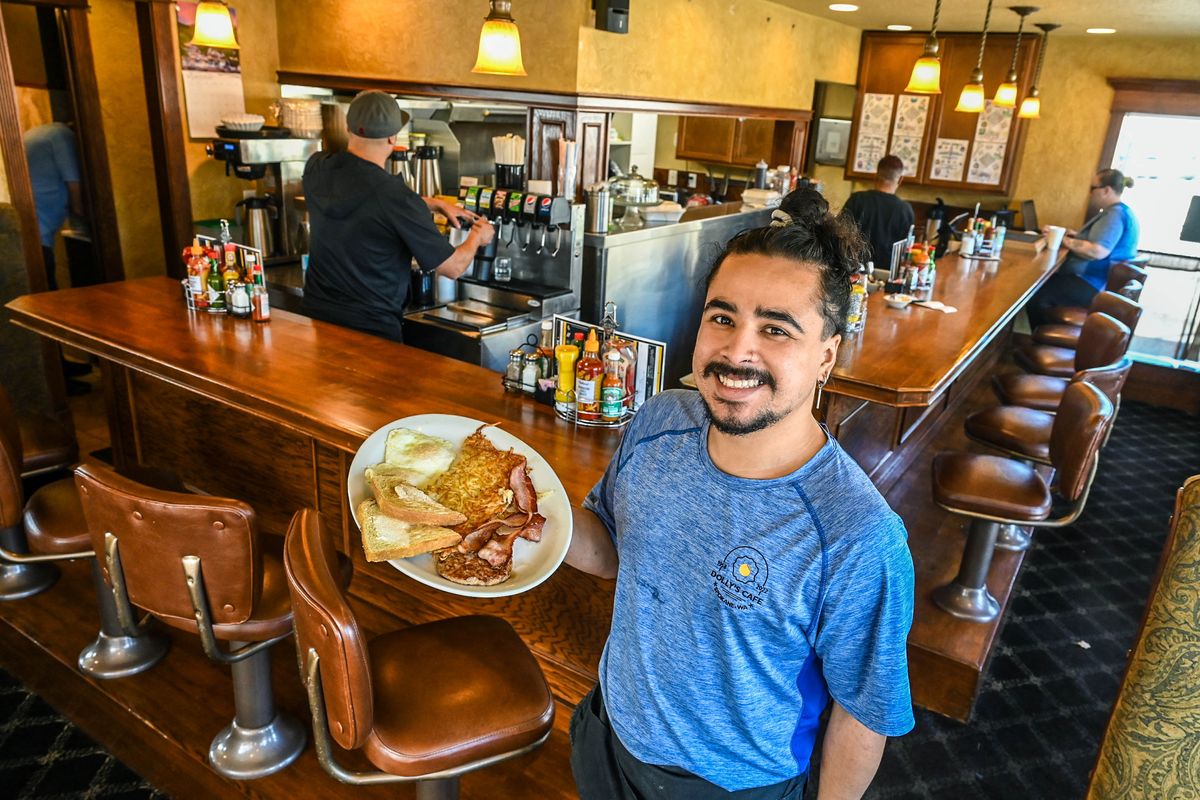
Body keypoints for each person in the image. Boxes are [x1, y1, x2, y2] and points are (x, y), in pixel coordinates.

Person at [567, 188, 916, 800]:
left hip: (731, 787)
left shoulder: (858, 536)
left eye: (776, 329)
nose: (736, 350)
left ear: (826, 357)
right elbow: (608, 551)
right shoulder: (659, 421)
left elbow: (864, 713)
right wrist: (527, 511)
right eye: (722, 317)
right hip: (608, 736)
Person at [301, 90, 492, 342]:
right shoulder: (395, 197)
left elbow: (364, 202)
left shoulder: (317, 167)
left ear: (349, 128)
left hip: (320, 321)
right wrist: (478, 236)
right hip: (371, 332)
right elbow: (454, 267)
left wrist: (431, 204)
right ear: (393, 138)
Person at [1026, 168, 1141, 329]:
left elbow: (1098, 250)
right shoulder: (1121, 212)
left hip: (1094, 283)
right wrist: (1069, 234)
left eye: (1093, 188)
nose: (1090, 193)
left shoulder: (1113, 215)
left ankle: (1044, 339)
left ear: (1106, 190)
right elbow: (1096, 238)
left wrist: (1061, 240)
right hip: (1098, 281)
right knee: (1042, 284)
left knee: (1034, 294)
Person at [24, 122, 83, 292]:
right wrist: (80, 210)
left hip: (28, 221)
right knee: (46, 291)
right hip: (39, 229)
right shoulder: (62, 136)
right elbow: (73, 182)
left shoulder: (34, 133)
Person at [840, 154, 915, 271]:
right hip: (888, 276)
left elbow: (839, 235)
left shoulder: (857, 200)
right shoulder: (905, 210)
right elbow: (906, 251)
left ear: (875, 176)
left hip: (853, 272)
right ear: (900, 180)